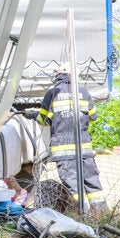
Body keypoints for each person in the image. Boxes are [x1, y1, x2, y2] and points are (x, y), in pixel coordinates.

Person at [36, 64, 107, 212]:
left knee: (74, 187)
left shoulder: (53, 93)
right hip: (84, 149)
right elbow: (93, 117)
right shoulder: (83, 92)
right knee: (93, 185)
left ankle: (81, 216)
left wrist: (31, 114)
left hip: (63, 152)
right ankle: (102, 215)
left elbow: (44, 120)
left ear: (59, 75)